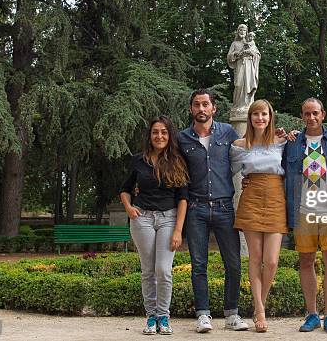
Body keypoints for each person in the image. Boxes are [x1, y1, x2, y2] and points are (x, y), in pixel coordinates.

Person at [178, 89, 249, 333]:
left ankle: (232, 313)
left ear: (213, 108)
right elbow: (172, 169)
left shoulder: (227, 132)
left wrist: (279, 138)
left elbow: (249, 149)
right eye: (197, 104)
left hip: (224, 207)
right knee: (199, 264)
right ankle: (203, 315)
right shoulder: (182, 139)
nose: (201, 109)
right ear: (191, 109)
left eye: (205, 104)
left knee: (234, 263)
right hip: (195, 209)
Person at [119, 115, 189, 335]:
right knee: (148, 270)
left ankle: (164, 316)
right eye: (155, 132)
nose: (159, 136)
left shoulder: (177, 160)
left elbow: (183, 198)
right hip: (143, 219)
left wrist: (178, 230)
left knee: (163, 270)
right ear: (150, 136)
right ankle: (151, 317)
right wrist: (129, 209)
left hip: (169, 218)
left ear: (170, 135)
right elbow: (125, 189)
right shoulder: (139, 160)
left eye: (164, 132)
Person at [283, 98, 327, 334]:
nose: (311, 118)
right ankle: (311, 314)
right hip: (303, 211)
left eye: (315, 113)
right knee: (306, 261)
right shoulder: (292, 143)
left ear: (323, 114)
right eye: (307, 114)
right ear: (302, 116)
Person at [230, 99, 288, 333]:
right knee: (255, 258)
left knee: (272, 260)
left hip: (275, 197)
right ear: (250, 118)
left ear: (270, 116)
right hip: (252, 197)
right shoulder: (239, 144)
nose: (260, 118)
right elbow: (227, 170)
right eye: (255, 114)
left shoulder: (282, 141)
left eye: (264, 114)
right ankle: (260, 311)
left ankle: (258, 304)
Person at [227, 24, 260, 111]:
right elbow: (229, 56)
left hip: (249, 67)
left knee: (248, 85)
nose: (242, 32)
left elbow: (257, 54)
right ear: (238, 32)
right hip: (240, 66)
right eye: (240, 30)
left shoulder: (250, 42)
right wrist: (235, 54)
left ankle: (247, 105)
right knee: (238, 85)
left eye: (244, 30)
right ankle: (238, 106)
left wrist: (252, 54)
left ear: (246, 32)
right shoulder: (234, 43)